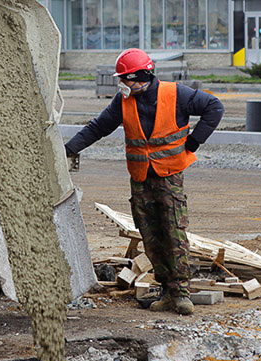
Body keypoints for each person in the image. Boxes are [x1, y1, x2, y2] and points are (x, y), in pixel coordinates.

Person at [65, 49, 223, 315]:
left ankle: (181, 293)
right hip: (140, 179)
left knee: (174, 234)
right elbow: (97, 127)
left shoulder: (176, 95)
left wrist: (195, 141)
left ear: (139, 77)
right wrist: (68, 149)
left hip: (169, 177)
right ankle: (165, 292)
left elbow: (214, 107)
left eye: (125, 79)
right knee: (151, 237)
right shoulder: (123, 101)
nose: (122, 85)